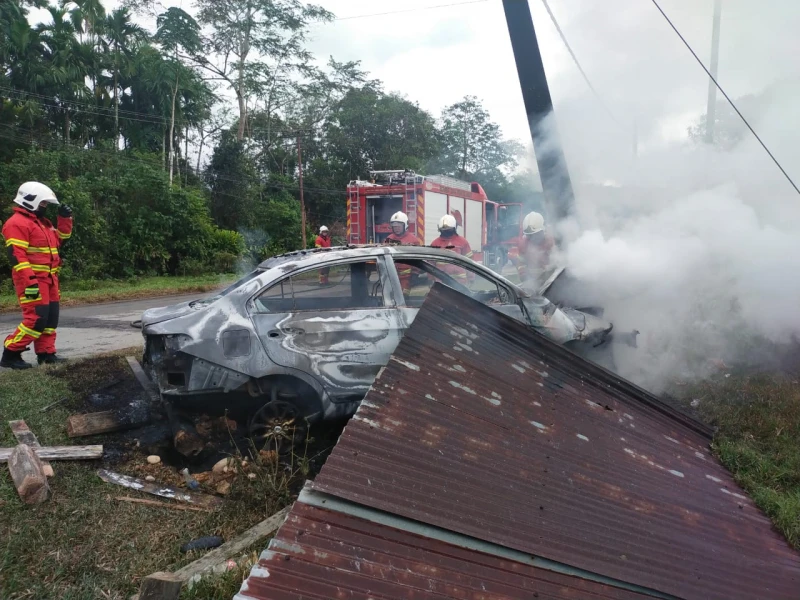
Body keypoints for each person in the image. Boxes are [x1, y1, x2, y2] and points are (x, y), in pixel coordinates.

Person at [1, 182, 73, 369]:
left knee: (50, 320)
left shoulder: (43, 224)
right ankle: (11, 353)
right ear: (30, 200)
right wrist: (30, 281)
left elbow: (60, 240)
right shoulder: (16, 223)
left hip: (50, 279)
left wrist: (64, 219)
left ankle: (46, 354)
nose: (45, 207)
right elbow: (17, 256)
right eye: (43, 203)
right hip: (31, 281)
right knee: (36, 319)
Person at [431, 214, 473, 284]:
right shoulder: (435, 243)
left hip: (460, 283)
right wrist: (432, 280)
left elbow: (470, 262)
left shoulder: (462, 242)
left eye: (448, 230)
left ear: (454, 229)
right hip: (441, 283)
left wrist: (471, 278)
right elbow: (430, 264)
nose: (446, 232)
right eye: (444, 230)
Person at [515, 211, 555, 284]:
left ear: (542, 231)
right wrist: (523, 274)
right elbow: (520, 263)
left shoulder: (550, 242)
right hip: (532, 282)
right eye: (529, 236)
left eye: (535, 235)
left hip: (551, 282)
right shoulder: (523, 244)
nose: (532, 238)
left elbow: (557, 263)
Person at [385, 211, 419, 292]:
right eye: (394, 227)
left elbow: (417, 260)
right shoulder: (389, 239)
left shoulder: (413, 241)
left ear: (405, 225)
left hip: (406, 279)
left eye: (399, 226)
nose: (396, 228)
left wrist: (415, 274)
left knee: (404, 297)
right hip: (391, 277)